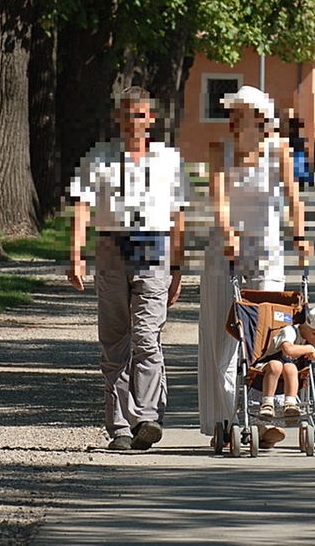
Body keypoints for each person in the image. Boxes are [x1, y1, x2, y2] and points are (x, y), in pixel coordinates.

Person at [68, 86, 189, 451]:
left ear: (150, 118)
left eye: (140, 115)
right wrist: (76, 253)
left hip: (153, 252)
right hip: (111, 250)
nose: (133, 122)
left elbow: (177, 217)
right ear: (118, 118)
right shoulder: (100, 158)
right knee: (115, 343)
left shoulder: (168, 160)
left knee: (147, 337)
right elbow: (82, 207)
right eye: (127, 115)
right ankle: (121, 425)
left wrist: (179, 268)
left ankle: (148, 417)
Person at [198, 85, 311, 446]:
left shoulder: (277, 150)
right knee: (222, 338)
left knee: (268, 337)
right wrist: (227, 230)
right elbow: (217, 198)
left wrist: (300, 236)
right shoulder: (220, 150)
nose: (231, 119)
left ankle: (268, 418)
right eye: (231, 112)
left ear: (259, 120)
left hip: (267, 252)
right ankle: (224, 420)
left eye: (239, 113)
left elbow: (294, 199)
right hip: (224, 252)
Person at [255, 305, 315, 422]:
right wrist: (309, 348)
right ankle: (267, 403)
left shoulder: (306, 339)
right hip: (267, 367)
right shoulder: (290, 331)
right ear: (314, 333)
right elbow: (288, 350)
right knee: (276, 365)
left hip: (287, 369)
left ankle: (290, 403)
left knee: (291, 367)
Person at [284, 108, 313, 192]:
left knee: (298, 167)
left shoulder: (291, 130)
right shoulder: (298, 131)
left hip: (296, 148)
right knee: (300, 167)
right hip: (297, 148)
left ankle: (302, 182)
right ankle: (304, 181)